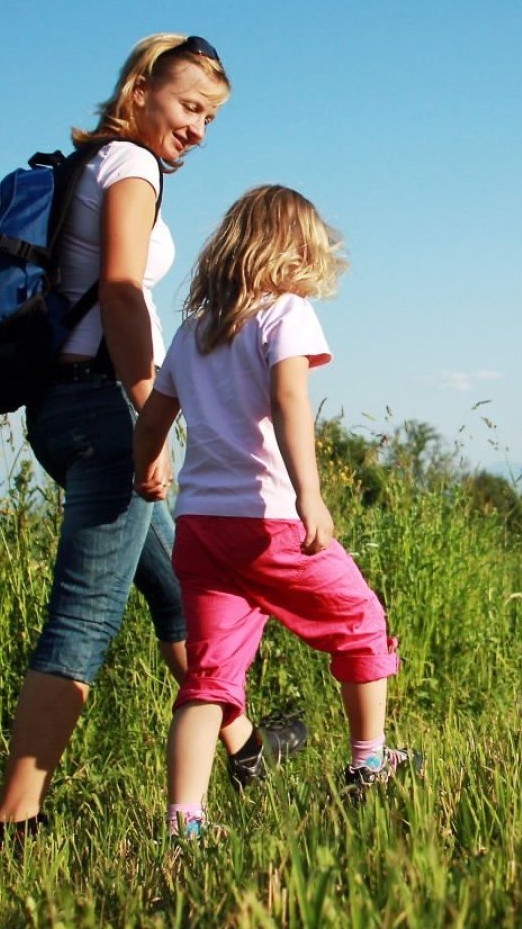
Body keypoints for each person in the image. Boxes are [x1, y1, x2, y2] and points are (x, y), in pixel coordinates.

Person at [0, 36, 304, 839]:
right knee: (85, 616)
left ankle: (247, 751)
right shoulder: (130, 166)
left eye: (211, 117)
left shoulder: (87, 166)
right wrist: (147, 408)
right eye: (190, 106)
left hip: (60, 409)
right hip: (105, 409)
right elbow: (122, 287)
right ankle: (13, 825)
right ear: (142, 88)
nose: (199, 128)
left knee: (175, 592)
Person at [132, 184, 419, 836]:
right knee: (360, 620)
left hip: (201, 531)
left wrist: (147, 464)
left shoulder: (192, 331)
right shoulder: (283, 313)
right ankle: (369, 763)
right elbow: (291, 401)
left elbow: (153, 417)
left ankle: (185, 823)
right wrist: (310, 497)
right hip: (269, 524)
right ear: (287, 256)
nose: (313, 281)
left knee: (209, 679)